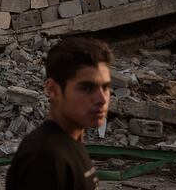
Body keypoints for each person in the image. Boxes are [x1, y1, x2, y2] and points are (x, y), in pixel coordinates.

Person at [6, 37, 113, 190]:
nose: (101, 99)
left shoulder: (70, 141)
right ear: (53, 90)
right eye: (86, 88)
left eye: (105, 87)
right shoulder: (45, 157)